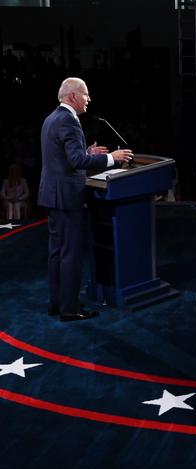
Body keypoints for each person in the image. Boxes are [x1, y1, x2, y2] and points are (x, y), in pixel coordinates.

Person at [39, 77, 133, 322]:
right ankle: (69, 309)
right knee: (70, 253)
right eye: (86, 94)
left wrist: (87, 152)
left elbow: (66, 156)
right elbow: (77, 162)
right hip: (68, 197)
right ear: (72, 97)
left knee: (57, 252)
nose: (89, 99)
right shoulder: (69, 121)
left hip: (52, 195)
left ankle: (57, 303)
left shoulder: (51, 119)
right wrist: (112, 158)